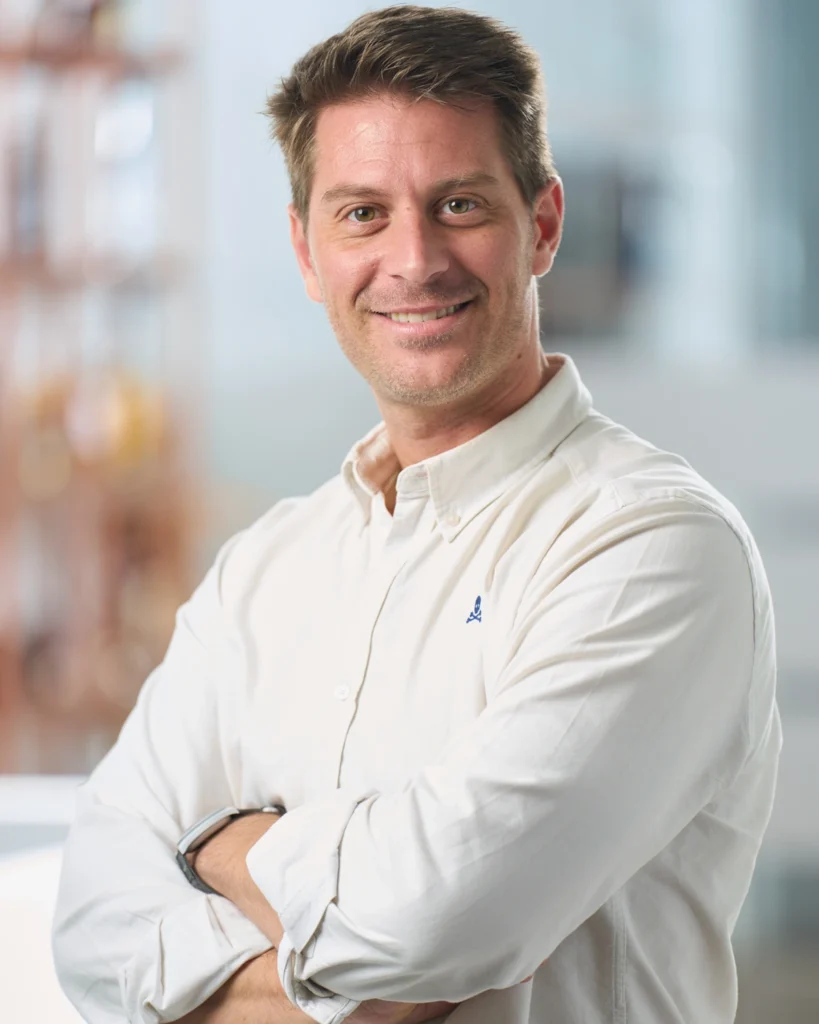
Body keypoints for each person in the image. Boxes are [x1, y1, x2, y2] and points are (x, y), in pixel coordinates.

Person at [52, 6, 782, 1023]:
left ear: (543, 223)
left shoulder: (651, 546)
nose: (413, 259)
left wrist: (214, 846)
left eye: (460, 204)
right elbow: (88, 924)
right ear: (309, 254)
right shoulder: (266, 568)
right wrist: (363, 960)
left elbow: (440, 922)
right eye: (361, 214)